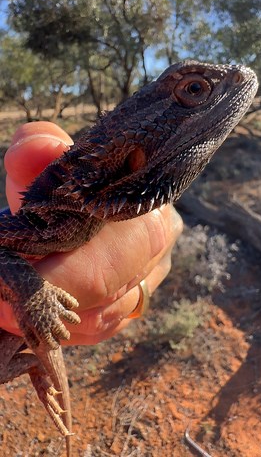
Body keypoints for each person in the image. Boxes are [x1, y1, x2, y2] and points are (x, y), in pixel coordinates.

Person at [0, 122, 183, 345]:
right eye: (193, 89)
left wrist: (135, 290)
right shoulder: (49, 220)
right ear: (133, 156)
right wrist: (33, 296)